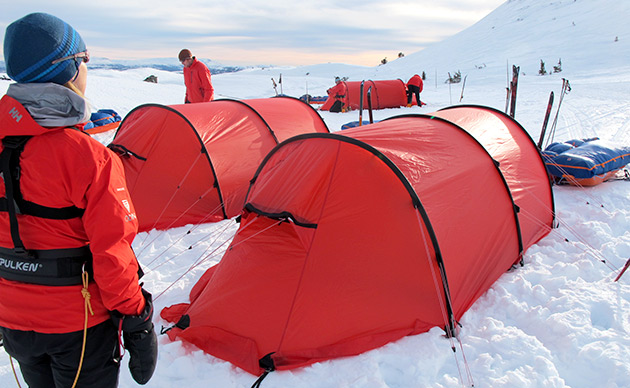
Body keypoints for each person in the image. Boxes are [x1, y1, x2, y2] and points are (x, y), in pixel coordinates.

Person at [0, 13, 157, 388]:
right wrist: (137, 320)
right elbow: (112, 253)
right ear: (68, 69)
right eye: (84, 58)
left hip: (13, 319)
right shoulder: (88, 157)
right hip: (78, 326)